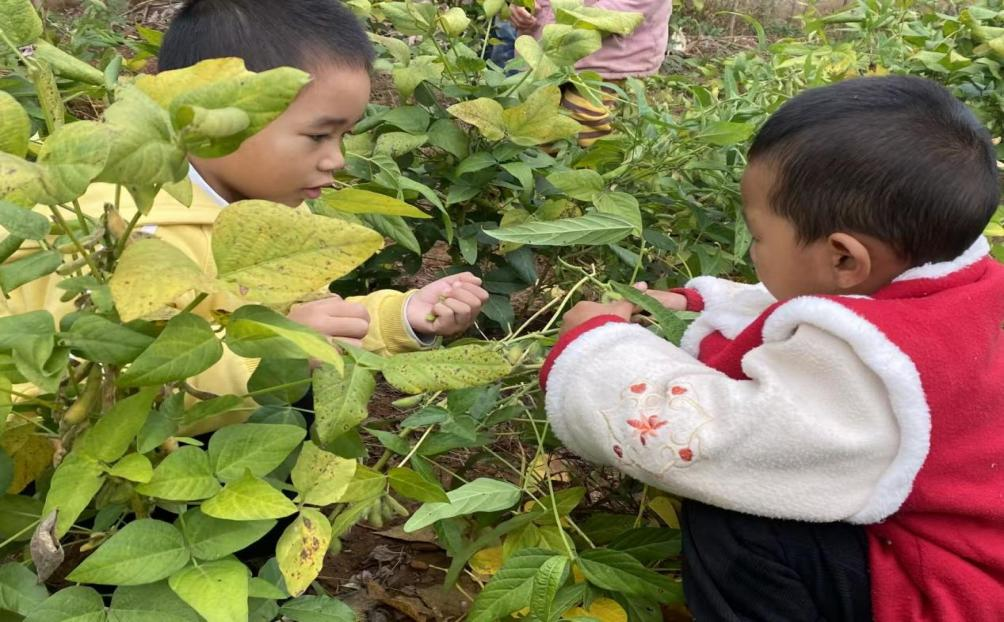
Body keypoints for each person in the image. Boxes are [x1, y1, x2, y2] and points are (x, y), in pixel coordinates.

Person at [539, 75, 1003, 620]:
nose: (754, 248)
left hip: (951, 592)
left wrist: (596, 344)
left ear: (845, 257)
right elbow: (829, 305)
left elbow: (714, 438)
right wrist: (692, 305)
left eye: (757, 235)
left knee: (739, 523)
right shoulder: (960, 285)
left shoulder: (871, 376)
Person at [4, 0, 489, 433]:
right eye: (319, 135)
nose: (337, 159)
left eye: (344, 136)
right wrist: (273, 353)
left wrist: (402, 316)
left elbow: (313, 314)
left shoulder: (263, 214)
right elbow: (110, 398)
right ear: (215, 121)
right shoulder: (118, 235)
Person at [509, 0, 671, 147]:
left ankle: (583, 166)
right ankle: (545, 170)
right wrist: (521, 3)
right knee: (539, 118)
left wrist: (583, 18)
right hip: (549, 43)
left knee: (584, 119)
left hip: (609, 52)